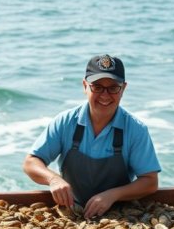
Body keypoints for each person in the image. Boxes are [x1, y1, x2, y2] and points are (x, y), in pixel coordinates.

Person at [23, 54, 161, 219]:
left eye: (113, 88)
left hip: (120, 215)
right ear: (85, 86)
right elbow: (31, 162)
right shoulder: (65, 121)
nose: (105, 95)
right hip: (71, 211)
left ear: (123, 88)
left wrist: (112, 195)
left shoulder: (136, 129)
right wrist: (53, 180)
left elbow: (150, 182)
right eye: (97, 86)